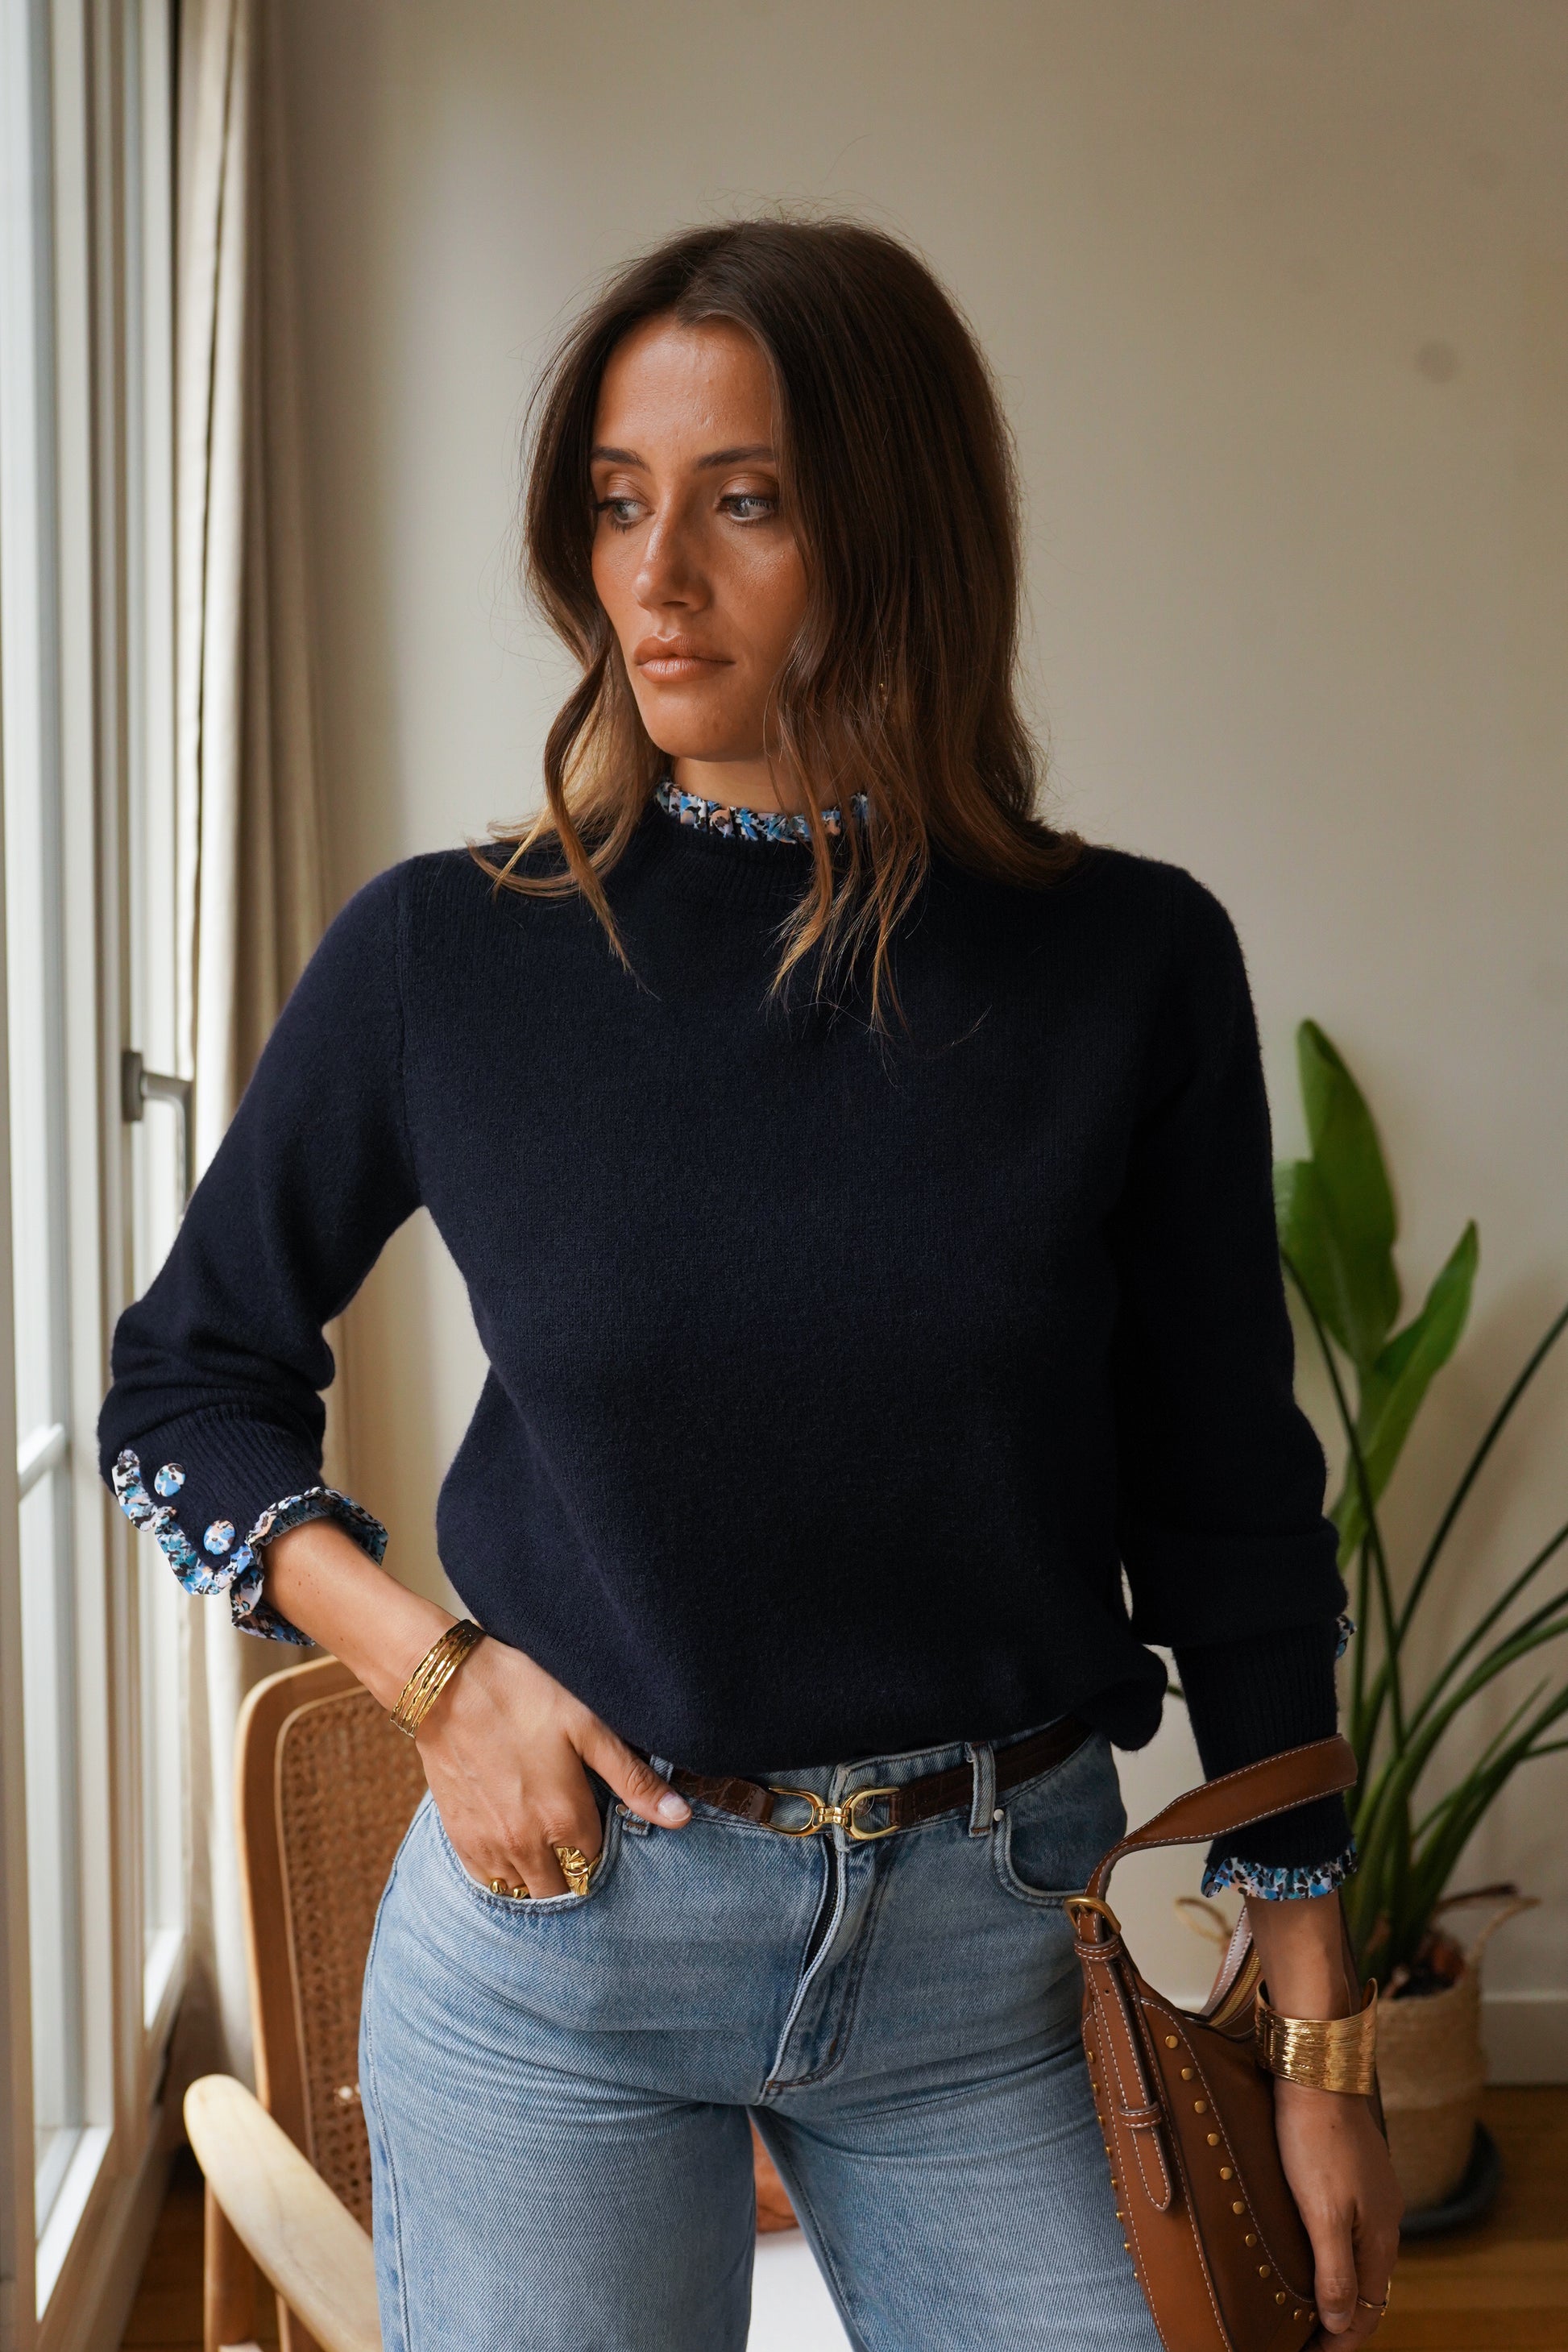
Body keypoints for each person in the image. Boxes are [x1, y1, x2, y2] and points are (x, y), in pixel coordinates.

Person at [99, 218, 1400, 2350]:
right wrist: (436, 1677)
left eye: (745, 504)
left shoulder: (1128, 964)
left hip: (1001, 1949)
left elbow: (1229, 1507)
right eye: (619, 503)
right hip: (564, 1955)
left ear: (897, 534)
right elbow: (180, 1391)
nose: (657, 579)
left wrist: (1321, 2023)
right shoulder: (450, 954)